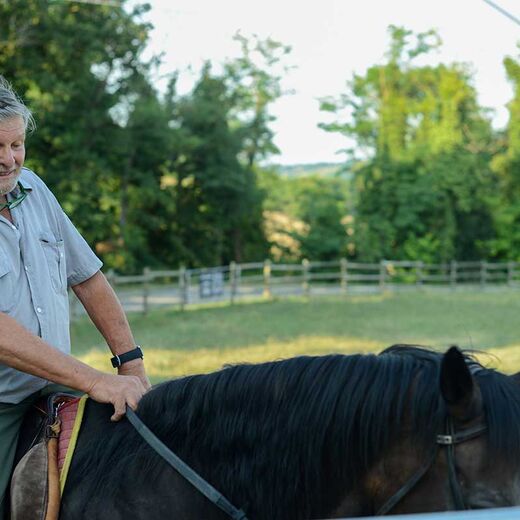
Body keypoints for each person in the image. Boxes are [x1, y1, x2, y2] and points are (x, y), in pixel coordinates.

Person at [0, 76, 151, 517]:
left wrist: (131, 363)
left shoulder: (36, 190)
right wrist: (96, 380)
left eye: (16, 145)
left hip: (52, 384)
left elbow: (88, 279)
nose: (8, 160)